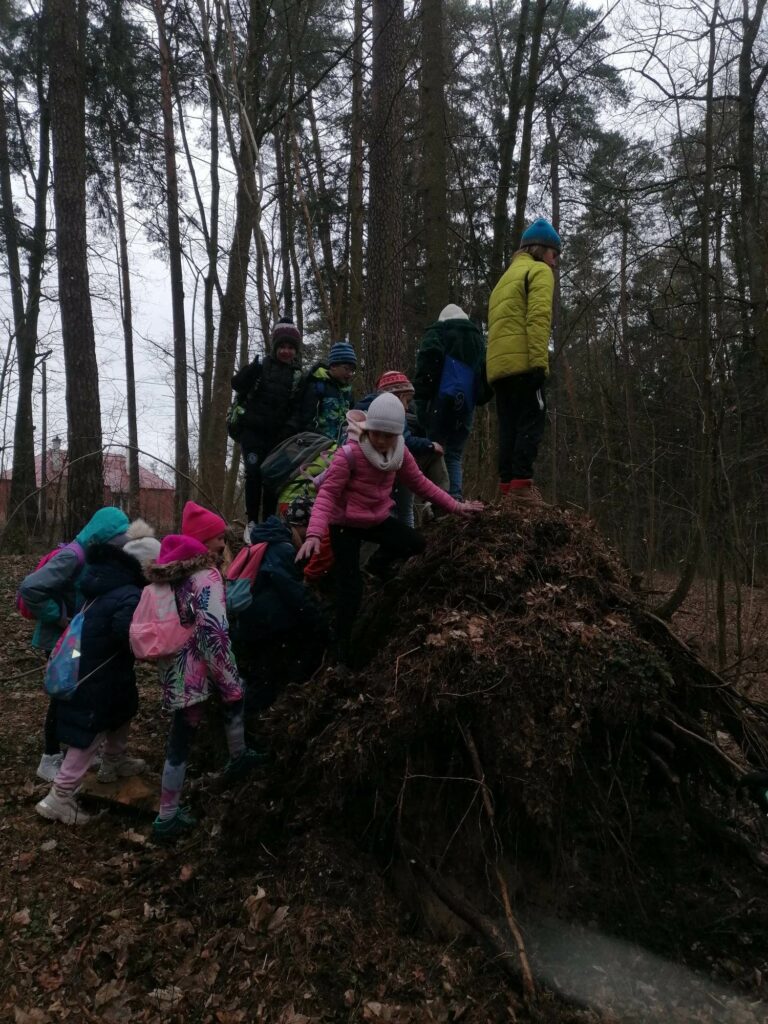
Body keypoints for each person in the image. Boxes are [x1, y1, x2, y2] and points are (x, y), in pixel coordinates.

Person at [296, 393, 483, 666]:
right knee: (351, 589)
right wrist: (314, 533)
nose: (382, 441)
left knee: (415, 543)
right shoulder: (349, 455)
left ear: (398, 435)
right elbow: (327, 495)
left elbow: (421, 484)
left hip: (375, 519)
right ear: (368, 429)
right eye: (376, 434)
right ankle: (341, 649)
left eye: (389, 435)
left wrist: (456, 506)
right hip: (344, 525)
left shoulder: (400, 454)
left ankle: (378, 565)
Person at [147, 524, 266, 842]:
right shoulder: (206, 576)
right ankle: (236, 758)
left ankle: (168, 812)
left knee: (180, 735)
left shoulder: (169, 576)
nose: (223, 544)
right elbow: (213, 630)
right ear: (202, 542)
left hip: (174, 667)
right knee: (204, 719)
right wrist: (227, 677)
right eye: (219, 538)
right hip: (199, 665)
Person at [34, 532, 161, 825]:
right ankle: (59, 796)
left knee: (121, 711)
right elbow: (124, 631)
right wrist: (150, 642)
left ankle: (114, 760)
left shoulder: (105, 584)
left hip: (96, 667)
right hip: (99, 674)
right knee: (89, 732)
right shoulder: (129, 593)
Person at [19, 506, 131, 782]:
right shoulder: (73, 556)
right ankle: (49, 757)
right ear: (103, 535)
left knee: (76, 693)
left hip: (75, 638)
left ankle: (74, 752)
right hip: (61, 640)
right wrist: (59, 618)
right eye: (116, 540)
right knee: (63, 693)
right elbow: (31, 587)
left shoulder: (90, 554)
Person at [486, 218, 560, 503]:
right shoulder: (539, 271)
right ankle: (522, 486)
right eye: (554, 254)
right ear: (541, 250)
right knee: (532, 421)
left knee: (508, 427)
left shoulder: (504, 280)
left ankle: (507, 487)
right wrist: (539, 364)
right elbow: (538, 319)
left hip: (499, 369)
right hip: (524, 363)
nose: (554, 262)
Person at [232, 497, 328, 715]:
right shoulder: (282, 548)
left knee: (258, 678)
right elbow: (291, 590)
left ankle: (241, 724)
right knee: (263, 682)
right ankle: (244, 729)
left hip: (252, 623)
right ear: (302, 526)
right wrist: (316, 619)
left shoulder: (268, 541)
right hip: (265, 627)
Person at [231, 316, 303, 531]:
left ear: (295, 350)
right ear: (275, 347)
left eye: (290, 347)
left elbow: (298, 408)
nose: (286, 351)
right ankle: (252, 523)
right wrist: (251, 370)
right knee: (253, 475)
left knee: (272, 478)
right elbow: (237, 385)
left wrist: (289, 429)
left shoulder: (297, 376)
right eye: (282, 346)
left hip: (278, 437)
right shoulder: (261, 367)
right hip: (252, 433)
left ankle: (270, 522)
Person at [414, 304, 492, 500]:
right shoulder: (478, 340)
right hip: (466, 405)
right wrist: (480, 397)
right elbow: (486, 375)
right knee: (455, 453)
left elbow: (426, 368)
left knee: (434, 450)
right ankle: (455, 497)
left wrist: (421, 402)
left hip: (439, 402)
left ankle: (435, 501)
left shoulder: (438, 333)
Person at [356, 370, 448, 527]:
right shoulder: (390, 411)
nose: (406, 407)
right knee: (403, 510)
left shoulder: (366, 407)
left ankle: (433, 510)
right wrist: (430, 445)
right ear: (396, 396)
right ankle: (438, 510)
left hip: (384, 471)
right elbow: (406, 442)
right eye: (407, 401)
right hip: (387, 468)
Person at [297, 340, 357, 443]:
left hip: (343, 446)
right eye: (346, 369)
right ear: (333, 366)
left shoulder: (348, 392)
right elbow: (307, 422)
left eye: (352, 370)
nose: (350, 373)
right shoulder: (317, 386)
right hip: (319, 445)